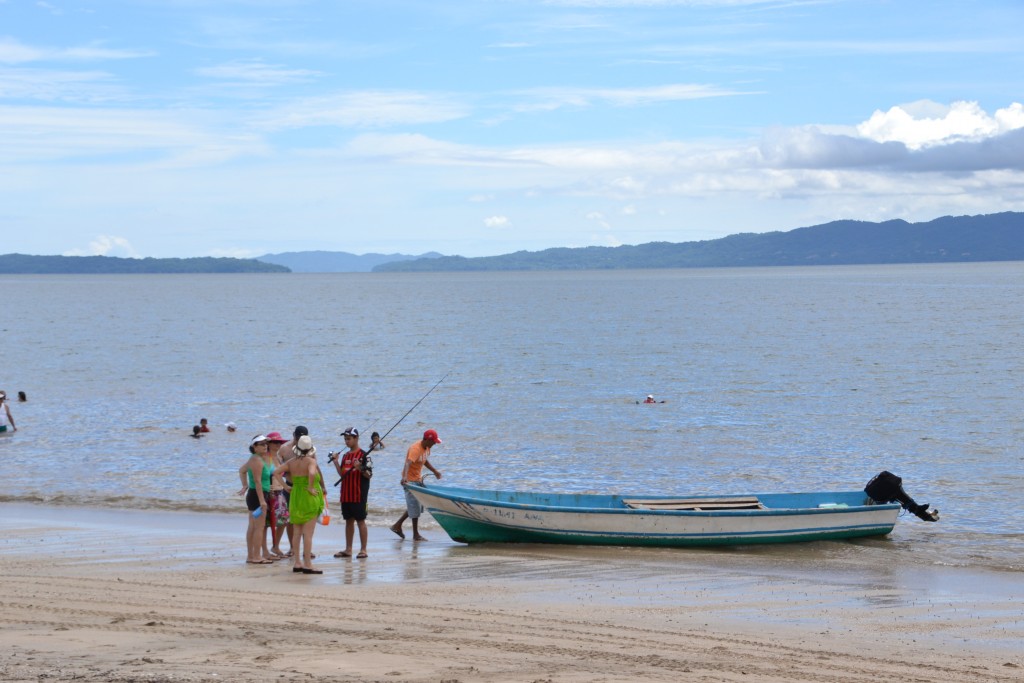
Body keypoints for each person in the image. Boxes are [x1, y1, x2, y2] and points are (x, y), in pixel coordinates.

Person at [273, 434, 326, 574]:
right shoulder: (311, 461)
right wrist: (309, 486)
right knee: (308, 534)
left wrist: (285, 486)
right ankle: (308, 564)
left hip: (295, 495)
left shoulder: (291, 462)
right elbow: (312, 473)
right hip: (308, 497)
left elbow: (276, 472)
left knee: (297, 532)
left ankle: (297, 562)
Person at [390, 429, 442, 541]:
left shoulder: (427, 448)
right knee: (414, 507)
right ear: (428, 439)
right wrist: (404, 478)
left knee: (416, 506)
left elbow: (424, 461)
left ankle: (397, 526)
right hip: (409, 481)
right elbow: (408, 462)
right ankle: (415, 535)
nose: (434, 444)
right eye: (433, 441)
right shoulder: (415, 449)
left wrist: (435, 471)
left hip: (418, 480)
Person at [331, 427, 371, 559]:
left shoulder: (365, 455)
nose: (346, 441)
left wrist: (360, 468)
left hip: (359, 494)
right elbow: (342, 474)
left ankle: (363, 549)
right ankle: (348, 549)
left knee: (361, 521)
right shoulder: (346, 456)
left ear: (356, 438)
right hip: (346, 494)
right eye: (345, 439)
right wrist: (336, 462)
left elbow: (369, 475)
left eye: (349, 439)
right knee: (348, 521)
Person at [237, 435, 273, 564]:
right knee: (259, 527)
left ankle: (251, 556)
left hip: (254, 494)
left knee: (253, 526)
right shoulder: (256, 460)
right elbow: (258, 482)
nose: (265, 446)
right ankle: (256, 556)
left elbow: (242, 471)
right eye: (262, 444)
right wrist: (262, 501)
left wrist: (245, 485)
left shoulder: (254, 459)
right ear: (254, 447)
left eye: (265, 444)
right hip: (258, 495)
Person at [265, 431, 290, 558]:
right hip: (270, 492)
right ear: (268, 443)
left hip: (280, 492)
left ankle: (275, 546)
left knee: (283, 520)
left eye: (279, 442)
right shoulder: (266, 458)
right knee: (267, 523)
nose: (277, 444)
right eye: (275, 442)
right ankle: (265, 550)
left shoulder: (279, 458)